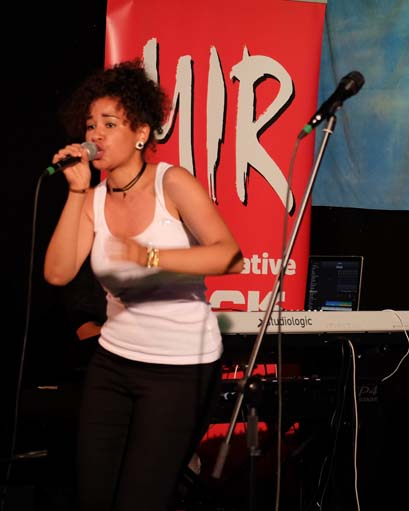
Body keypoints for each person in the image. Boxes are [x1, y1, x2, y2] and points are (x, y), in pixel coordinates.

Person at [43, 59, 244, 511]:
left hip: (179, 367)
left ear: (141, 133)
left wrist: (151, 257)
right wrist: (76, 193)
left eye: (109, 124)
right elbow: (57, 273)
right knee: (93, 495)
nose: (95, 134)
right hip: (114, 362)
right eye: (90, 124)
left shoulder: (172, 182)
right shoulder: (93, 199)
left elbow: (230, 255)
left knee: (142, 498)